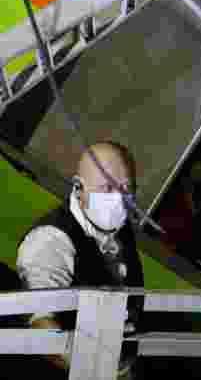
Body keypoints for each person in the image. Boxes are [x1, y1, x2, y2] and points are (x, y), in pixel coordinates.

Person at [16, 142, 142, 376]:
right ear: (78, 187)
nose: (119, 199)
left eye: (127, 189)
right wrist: (101, 372)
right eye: (108, 188)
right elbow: (42, 327)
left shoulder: (118, 229)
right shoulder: (51, 239)